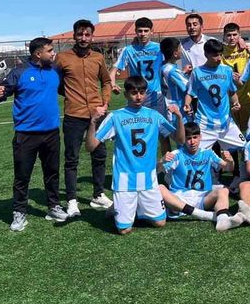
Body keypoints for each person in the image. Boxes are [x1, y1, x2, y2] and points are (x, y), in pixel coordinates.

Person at [85, 76, 215, 234]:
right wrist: (93, 122)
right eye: (134, 93)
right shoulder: (116, 117)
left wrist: (179, 117)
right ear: (126, 94)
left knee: (160, 222)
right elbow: (90, 147)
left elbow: (180, 139)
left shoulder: (154, 116)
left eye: (142, 92)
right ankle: (120, 208)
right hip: (125, 180)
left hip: (149, 179)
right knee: (124, 230)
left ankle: (132, 207)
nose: (138, 97)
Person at [0, 37, 68, 231]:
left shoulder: (55, 71)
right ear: (38, 54)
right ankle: (19, 212)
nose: (53, 54)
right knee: (22, 176)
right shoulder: (19, 72)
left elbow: (67, 90)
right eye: (50, 51)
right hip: (26, 135)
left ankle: (54, 206)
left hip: (51, 133)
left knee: (52, 172)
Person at [55, 19, 114, 217]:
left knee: (99, 154)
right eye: (80, 34)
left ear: (92, 37)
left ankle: (98, 194)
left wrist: (105, 103)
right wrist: (72, 95)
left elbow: (106, 81)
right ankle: (72, 200)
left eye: (87, 34)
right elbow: (56, 84)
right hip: (74, 114)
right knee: (71, 158)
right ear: (74, 36)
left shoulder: (98, 57)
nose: (83, 38)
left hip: (97, 115)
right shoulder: (62, 58)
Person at [161, 122, 245, 232]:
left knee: (223, 190)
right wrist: (161, 161)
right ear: (184, 139)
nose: (192, 142)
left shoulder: (208, 153)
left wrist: (230, 161)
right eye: (188, 138)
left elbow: (228, 168)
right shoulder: (177, 154)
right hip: (180, 198)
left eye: (195, 137)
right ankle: (206, 215)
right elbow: (157, 171)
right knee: (160, 188)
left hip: (202, 198)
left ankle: (223, 220)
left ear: (200, 137)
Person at [182, 39, 246, 153]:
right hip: (205, 124)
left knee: (246, 149)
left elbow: (232, 92)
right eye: (215, 55)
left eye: (221, 54)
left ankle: (236, 166)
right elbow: (190, 93)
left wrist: (236, 103)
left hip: (226, 122)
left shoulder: (227, 70)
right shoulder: (197, 72)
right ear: (206, 54)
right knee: (195, 154)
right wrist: (187, 104)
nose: (219, 58)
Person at [110, 17, 165, 114]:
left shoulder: (160, 48)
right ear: (135, 31)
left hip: (156, 95)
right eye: (140, 31)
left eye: (146, 31)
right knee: (136, 122)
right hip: (136, 95)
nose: (143, 34)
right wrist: (113, 84)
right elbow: (114, 69)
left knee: (157, 122)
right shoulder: (128, 50)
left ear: (152, 31)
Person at [221, 22, 250, 133]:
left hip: (246, 96)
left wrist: (248, 47)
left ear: (239, 35)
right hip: (228, 98)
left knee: (248, 130)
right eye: (229, 35)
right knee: (231, 131)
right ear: (224, 36)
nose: (232, 38)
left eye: (235, 35)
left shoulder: (245, 49)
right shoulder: (220, 51)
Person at [160, 37, 189, 116]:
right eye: (180, 48)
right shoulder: (172, 71)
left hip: (169, 107)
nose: (181, 51)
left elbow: (173, 80)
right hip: (177, 110)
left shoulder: (163, 66)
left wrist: (182, 73)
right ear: (175, 53)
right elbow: (189, 87)